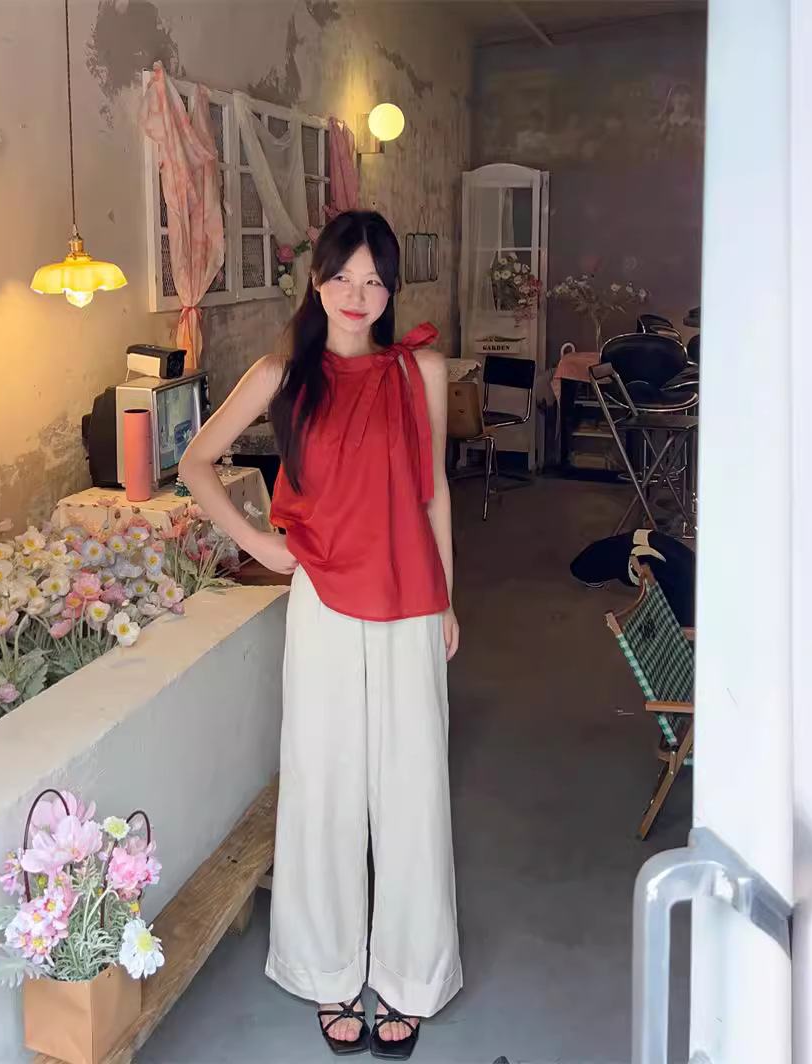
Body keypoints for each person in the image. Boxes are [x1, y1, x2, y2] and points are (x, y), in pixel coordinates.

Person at [178, 209, 461, 1059]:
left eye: (374, 281)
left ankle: (411, 974)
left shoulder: (421, 369)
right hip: (326, 603)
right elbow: (196, 462)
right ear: (317, 280)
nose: (357, 295)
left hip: (412, 601)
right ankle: (327, 969)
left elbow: (434, 489)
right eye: (343, 277)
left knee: (413, 793)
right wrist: (262, 544)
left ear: (391, 290)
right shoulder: (282, 375)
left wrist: (449, 599)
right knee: (325, 787)